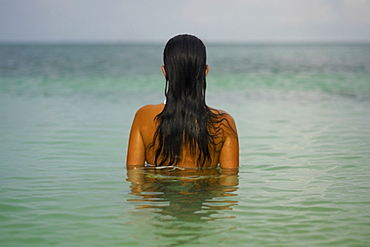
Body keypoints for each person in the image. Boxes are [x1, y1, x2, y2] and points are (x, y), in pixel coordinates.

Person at [126, 34, 238, 169]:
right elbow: (230, 181)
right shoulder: (223, 123)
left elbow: (134, 176)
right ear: (205, 71)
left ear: (165, 71)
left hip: (159, 189)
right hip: (205, 189)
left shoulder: (143, 116)